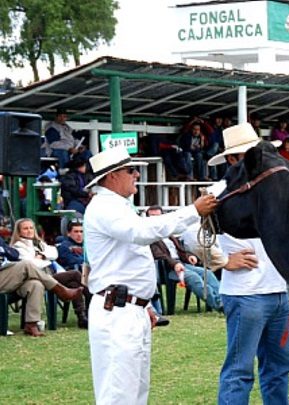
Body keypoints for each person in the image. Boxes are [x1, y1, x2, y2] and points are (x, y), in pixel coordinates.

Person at [83, 146, 217, 404]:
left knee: (134, 392)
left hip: (129, 308)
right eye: (131, 170)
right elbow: (142, 232)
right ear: (112, 176)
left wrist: (143, 302)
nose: (136, 175)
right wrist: (193, 211)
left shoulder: (116, 206)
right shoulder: (104, 207)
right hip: (118, 310)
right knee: (119, 394)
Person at [207, 123, 289, 404]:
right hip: (247, 294)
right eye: (249, 155)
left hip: (275, 292)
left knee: (278, 368)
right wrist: (222, 260)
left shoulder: (273, 187)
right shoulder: (218, 191)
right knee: (242, 370)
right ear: (233, 160)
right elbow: (189, 234)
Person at [11, 218, 89, 329]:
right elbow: (31, 264)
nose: (29, 231)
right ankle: (91, 309)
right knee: (75, 274)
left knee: (74, 284)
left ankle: (82, 318)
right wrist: (44, 259)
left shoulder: (38, 243)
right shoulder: (18, 247)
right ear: (19, 232)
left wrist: (42, 256)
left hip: (50, 274)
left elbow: (54, 252)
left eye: (31, 228)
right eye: (25, 228)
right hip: (38, 278)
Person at [0, 237, 83, 336]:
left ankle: (31, 324)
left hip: (6, 275)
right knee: (27, 265)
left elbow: (14, 254)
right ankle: (62, 291)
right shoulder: (19, 243)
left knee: (35, 284)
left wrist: (4, 250)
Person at [146, 205, 222, 312]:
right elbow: (159, 255)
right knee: (193, 277)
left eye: (158, 216)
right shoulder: (148, 237)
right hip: (167, 269)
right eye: (152, 216)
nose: (155, 219)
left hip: (182, 264)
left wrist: (189, 256)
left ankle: (224, 300)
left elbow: (180, 250)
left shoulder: (168, 234)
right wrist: (175, 264)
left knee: (207, 273)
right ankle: (219, 304)